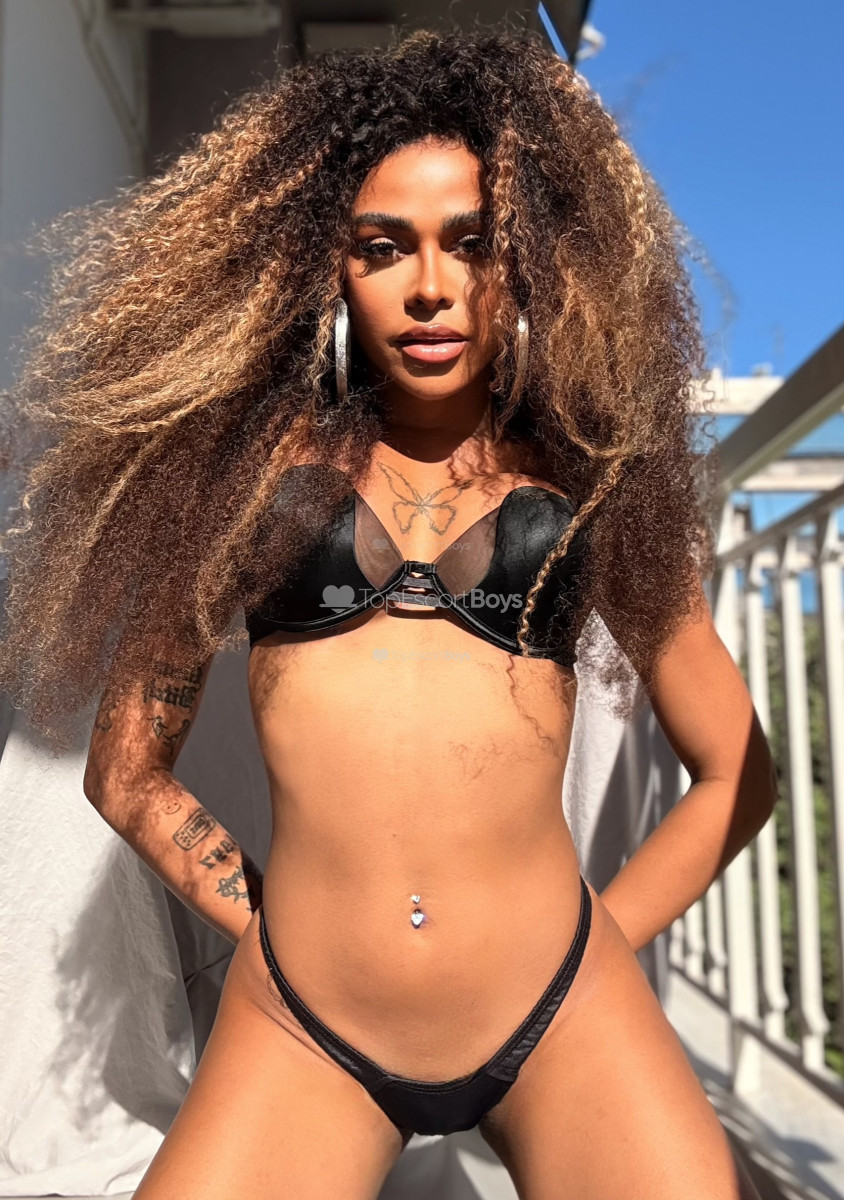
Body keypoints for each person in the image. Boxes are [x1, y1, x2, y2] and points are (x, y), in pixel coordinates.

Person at [0, 25, 775, 1199]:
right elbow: (125, 773)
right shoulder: (243, 484)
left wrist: (593, 952)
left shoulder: (590, 480)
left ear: (529, 262)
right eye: (382, 247)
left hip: (559, 1010)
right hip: (306, 1027)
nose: (428, 286)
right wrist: (271, 933)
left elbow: (734, 772)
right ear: (329, 268)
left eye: (472, 243)